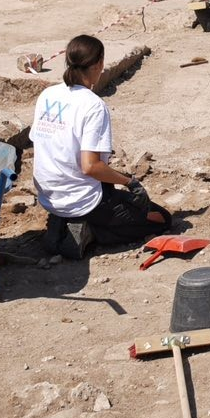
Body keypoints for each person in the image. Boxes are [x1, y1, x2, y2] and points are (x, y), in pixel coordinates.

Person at [32, 34, 172, 258]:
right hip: (82, 198)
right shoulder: (93, 106)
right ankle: (89, 232)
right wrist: (129, 181)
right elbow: (90, 167)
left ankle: (63, 222)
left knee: (110, 190)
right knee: (161, 219)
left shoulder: (47, 95)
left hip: (49, 195)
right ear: (99, 64)